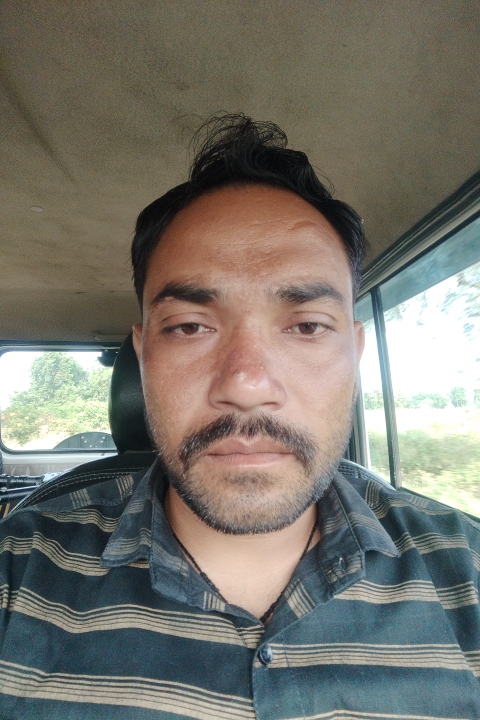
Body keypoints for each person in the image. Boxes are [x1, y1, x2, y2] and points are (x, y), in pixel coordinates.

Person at [0, 115, 479, 719]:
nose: (246, 385)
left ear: (355, 355)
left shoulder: (467, 572)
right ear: (143, 358)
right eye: (190, 327)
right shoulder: (17, 570)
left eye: (307, 326)